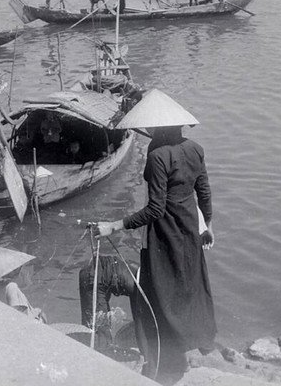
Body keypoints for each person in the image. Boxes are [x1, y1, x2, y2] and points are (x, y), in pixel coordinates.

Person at [94, 88, 216, 385]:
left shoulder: (158, 154)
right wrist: (208, 226)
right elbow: (205, 193)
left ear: (156, 127)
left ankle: (159, 362)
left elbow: (155, 209)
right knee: (187, 288)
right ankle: (186, 348)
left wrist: (115, 225)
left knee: (155, 292)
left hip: (165, 234)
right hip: (189, 230)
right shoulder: (195, 149)